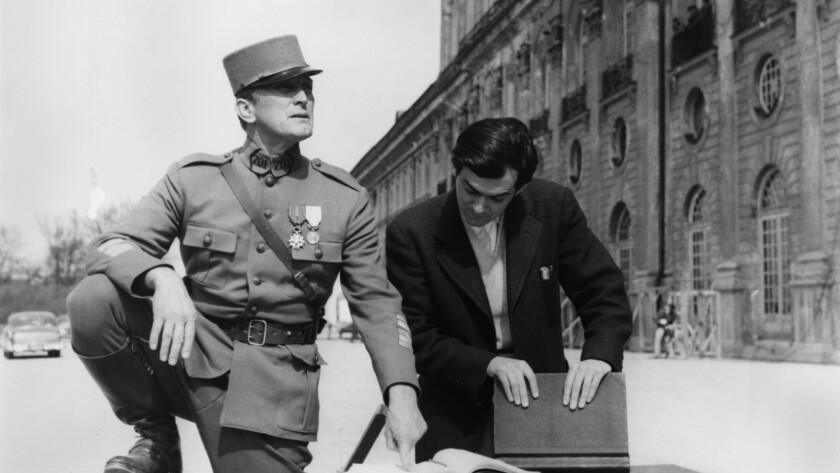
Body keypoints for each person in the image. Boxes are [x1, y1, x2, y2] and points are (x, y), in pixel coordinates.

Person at [66, 35, 425, 473]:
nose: (303, 98)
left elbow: (377, 303)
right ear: (246, 109)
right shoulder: (192, 180)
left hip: (272, 388)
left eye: (307, 88)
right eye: (285, 88)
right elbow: (109, 245)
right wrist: (159, 276)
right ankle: (157, 438)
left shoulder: (344, 198)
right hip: (191, 357)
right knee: (93, 299)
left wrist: (402, 393)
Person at [385, 117, 633, 460]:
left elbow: (603, 290)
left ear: (518, 189)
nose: (478, 207)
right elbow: (418, 335)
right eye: (469, 189)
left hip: (543, 402)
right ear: (456, 171)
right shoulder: (411, 232)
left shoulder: (553, 206)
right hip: (454, 410)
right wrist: (490, 363)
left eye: (497, 198)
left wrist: (600, 357)